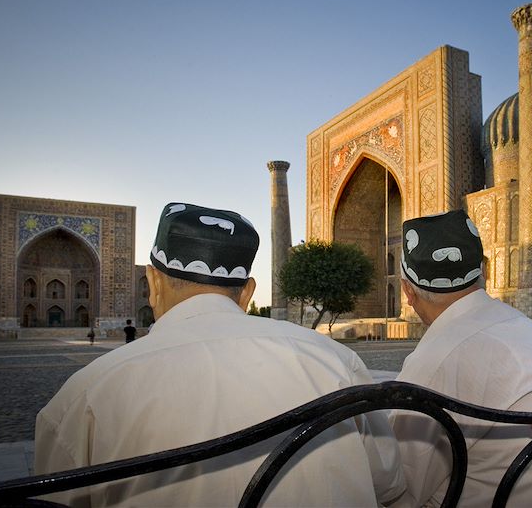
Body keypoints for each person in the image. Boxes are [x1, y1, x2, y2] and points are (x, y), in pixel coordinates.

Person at [35, 203, 405, 507]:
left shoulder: (88, 393)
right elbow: (387, 482)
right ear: (248, 292)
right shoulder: (335, 360)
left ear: (152, 281)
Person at [388, 210, 532, 507]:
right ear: (482, 273)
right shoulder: (520, 324)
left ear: (407, 290)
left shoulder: (437, 357)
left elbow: (401, 486)